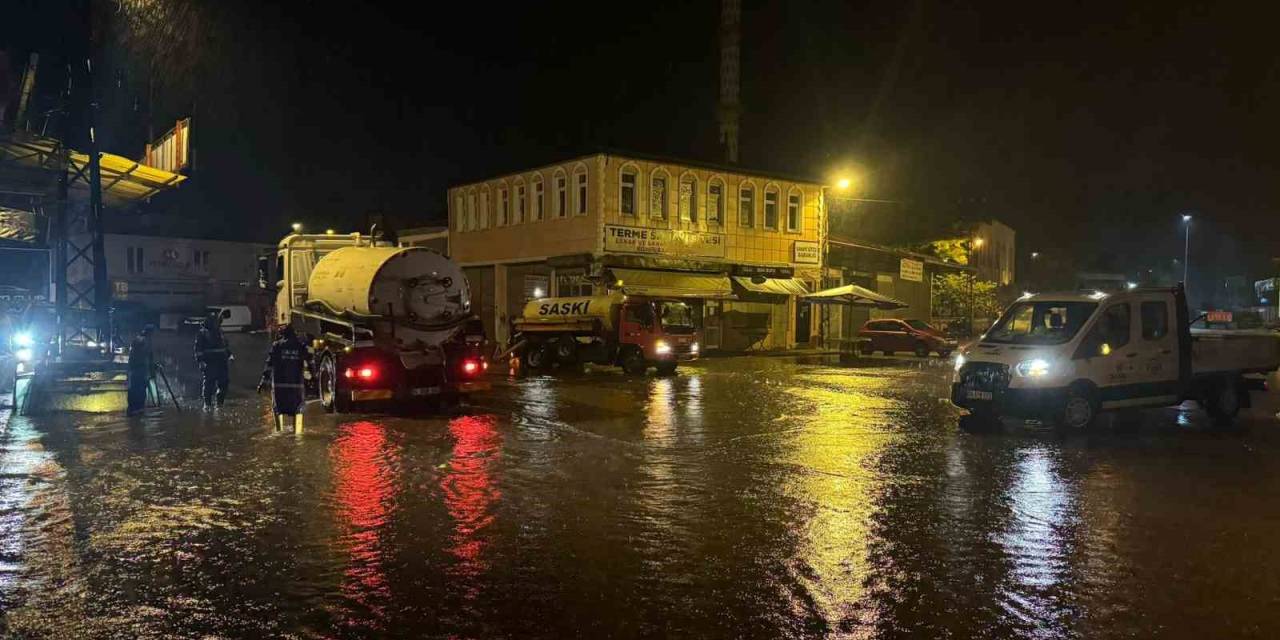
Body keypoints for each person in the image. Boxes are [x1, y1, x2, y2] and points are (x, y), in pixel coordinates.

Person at [258, 325, 310, 430]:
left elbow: (269, 365)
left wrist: (263, 382)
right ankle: (297, 433)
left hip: (279, 386)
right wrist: (312, 378)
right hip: (296, 387)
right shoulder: (301, 346)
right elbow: (310, 361)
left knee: (278, 409)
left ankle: (279, 430)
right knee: (298, 410)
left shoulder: (276, 346)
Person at [194, 312, 232, 409]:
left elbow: (224, 345)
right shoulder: (203, 333)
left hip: (222, 362)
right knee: (209, 383)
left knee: (224, 383)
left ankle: (220, 403)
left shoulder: (220, 331)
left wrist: (230, 355)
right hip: (210, 362)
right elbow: (198, 349)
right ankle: (207, 404)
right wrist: (201, 361)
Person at [127, 325, 155, 415]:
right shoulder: (146, 341)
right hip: (140, 369)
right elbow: (149, 356)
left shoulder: (136, 339)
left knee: (133, 389)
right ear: (150, 333)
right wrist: (152, 370)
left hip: (133, 369)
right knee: (140, 389)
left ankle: (132, 409)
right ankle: (138, 409)